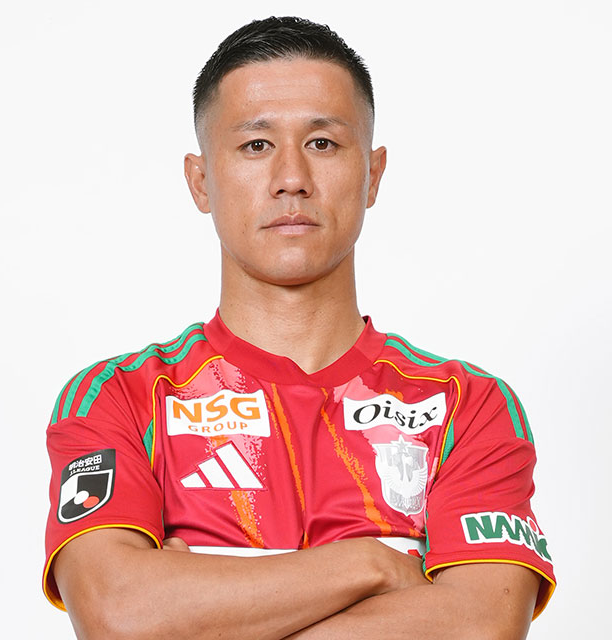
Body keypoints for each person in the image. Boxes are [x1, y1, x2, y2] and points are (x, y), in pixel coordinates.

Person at [43, 16, 555, 639]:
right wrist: (372, 564)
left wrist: (203, 609)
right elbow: (121, 618)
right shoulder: (117, 398)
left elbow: (479, 627)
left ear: (373, 174)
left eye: (323, 143)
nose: (292, 179)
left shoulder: (468, 408)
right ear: (201, 181)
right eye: (256, 145)